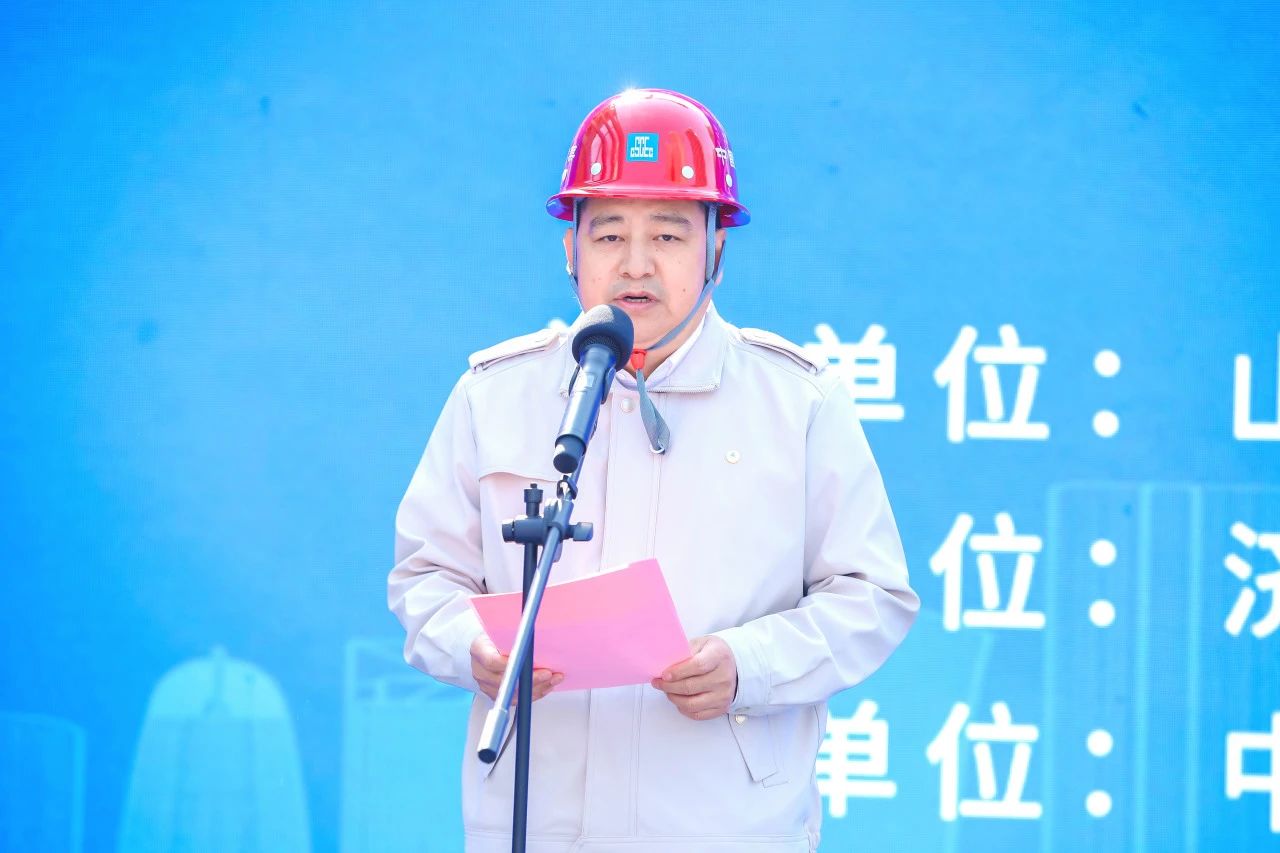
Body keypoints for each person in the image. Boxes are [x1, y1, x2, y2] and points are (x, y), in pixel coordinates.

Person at [388, 88, 919, 853]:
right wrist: (472, 646)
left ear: (717, 248)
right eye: (609, 234)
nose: (636, 263)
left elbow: (873, 596)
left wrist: (750, 665)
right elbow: (425, 577)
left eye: (668, 234)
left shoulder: (798, 402)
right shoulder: (495, 396)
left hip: (724, 827)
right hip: (536, 823)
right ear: (570, 249)